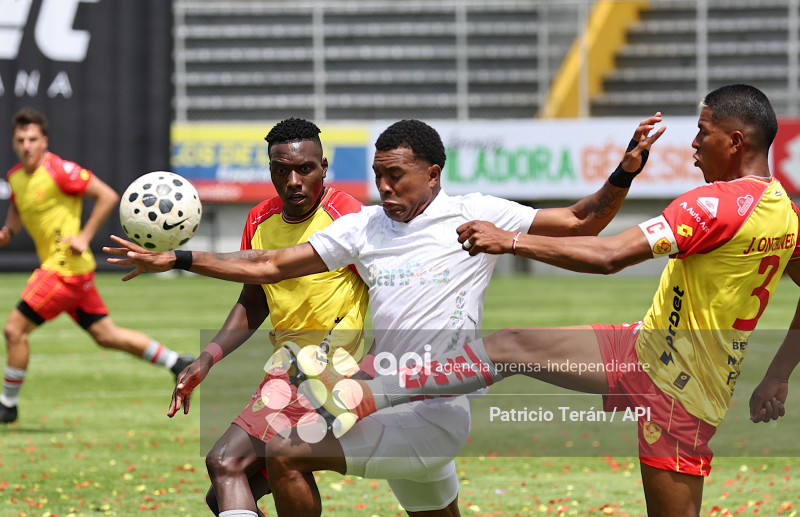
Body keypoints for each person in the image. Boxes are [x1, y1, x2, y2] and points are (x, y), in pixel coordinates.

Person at [105, 116, 662, 517]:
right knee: (238, 471)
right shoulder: (365, 227)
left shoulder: (474, 213)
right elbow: (271, 264)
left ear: (434, 173)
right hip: (391, 404)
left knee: (285, 454)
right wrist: (178, 258)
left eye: (398, 176)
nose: (386, 188)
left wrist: (624, 172)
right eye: (379, 176)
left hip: (436, 412)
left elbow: (582, 221)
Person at [301, 85, 800, 517]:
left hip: (681, 394)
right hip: (645, 347)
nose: (692, 145)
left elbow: (607, 256)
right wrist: (778, 375)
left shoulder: (710, 204)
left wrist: (511, 241)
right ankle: (376, 391)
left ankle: (376, 391)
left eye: (703, 132)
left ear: (735, 142)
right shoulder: (785, 212)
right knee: (511, 344)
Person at [168, 117, 370, 517]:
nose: (293, 180)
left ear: (324, 167)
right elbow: (254, 301)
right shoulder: (260, 220)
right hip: (286, 372)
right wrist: (206, 358)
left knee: (226, 463)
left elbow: (388, 290)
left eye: (304, 169)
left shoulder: (349, 216)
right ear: (271, 171)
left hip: (332, 372)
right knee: (227, 490)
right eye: (282, 170)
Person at [0, 107, 194, 424]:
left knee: (13, 330)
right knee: (107, 335)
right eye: (21, 139)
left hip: (63, 269)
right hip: (75, 274)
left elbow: (106, 195)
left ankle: (6, 405)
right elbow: (17, 216)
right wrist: (7, 233)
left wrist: (84, 235)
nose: (26, 145)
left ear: (44, 141)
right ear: (13, 142)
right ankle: (177, 361)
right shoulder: (16, 178)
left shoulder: (60, 170)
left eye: (33, 139)